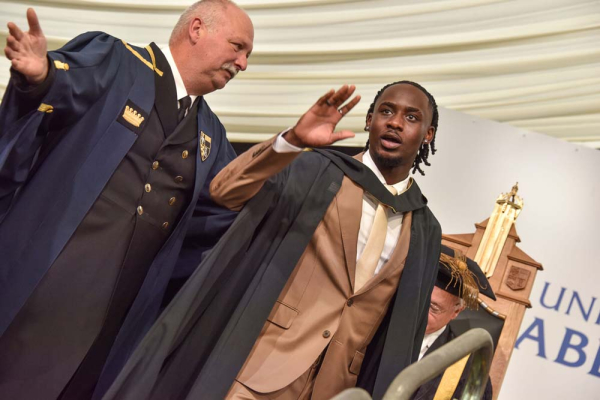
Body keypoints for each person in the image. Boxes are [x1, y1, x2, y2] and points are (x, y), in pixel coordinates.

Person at [103, 80, 442, 400]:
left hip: (337, 388)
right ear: (369, 120)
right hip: (260, 372)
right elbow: (225, 190)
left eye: (411, 117)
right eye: (386, 111)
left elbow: (400, 331)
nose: (395, 122)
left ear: (428, 134)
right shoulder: (318, 171)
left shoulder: (424, 229)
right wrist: (292, 141)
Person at [0, 1, 253, 399]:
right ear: (197, 29)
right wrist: (42, 76)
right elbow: (67, 82)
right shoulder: (118, 61)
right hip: (42, 289)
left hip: (116, 322)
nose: (242, 64)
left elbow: (225, 208)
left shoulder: (211, 135)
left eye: (247, 55)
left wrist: (289, 147)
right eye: (238, 47)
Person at [413, 244, 496, 400]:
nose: (420, 313)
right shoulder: (379, 330)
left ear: (456, 312)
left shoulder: (467, 370)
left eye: (433, 308)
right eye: (418, 300)